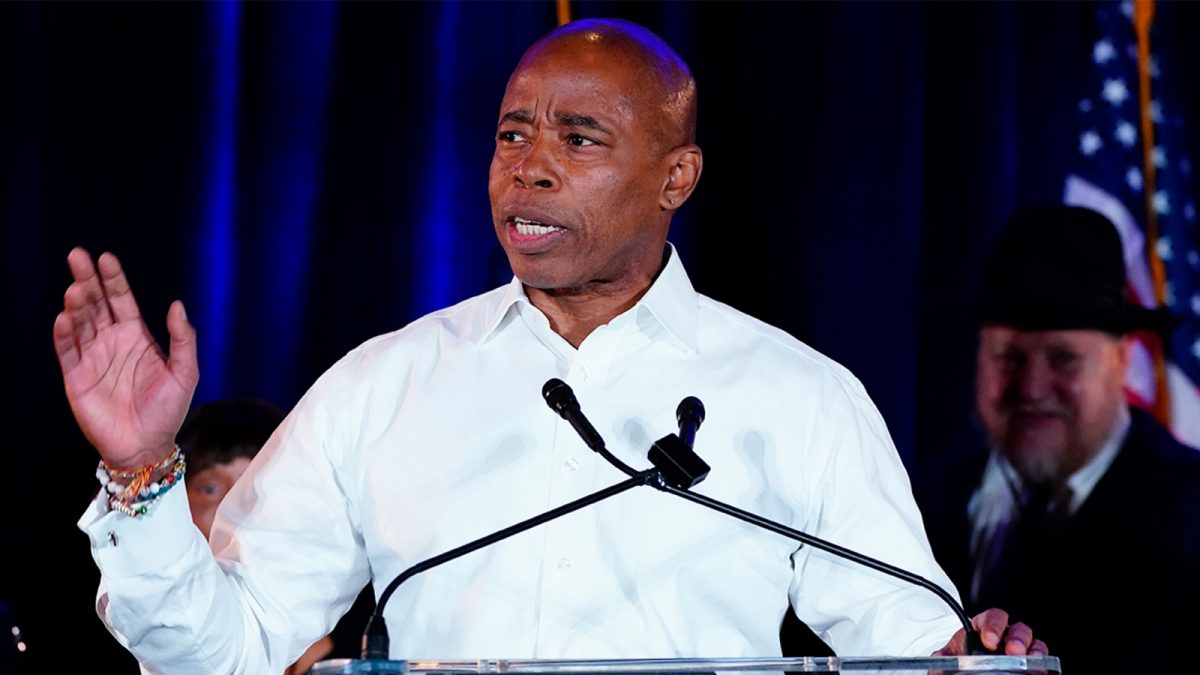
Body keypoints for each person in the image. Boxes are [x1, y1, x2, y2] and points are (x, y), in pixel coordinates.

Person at [56, 18, 1043, 672]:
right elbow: (220, 654)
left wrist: (971, 659)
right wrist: (141, 468)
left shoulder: (799, 397)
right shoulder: (384, 385)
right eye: (511, 134)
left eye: (577, 139)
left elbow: (911, 649)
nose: (527, 169)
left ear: (677, 177)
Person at [915, 205, 1200, 673]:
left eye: (1063, 358)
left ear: (1122, 360)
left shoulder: (1191, 512)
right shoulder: (916, 501)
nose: (1031, 388)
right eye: (1009, 357)